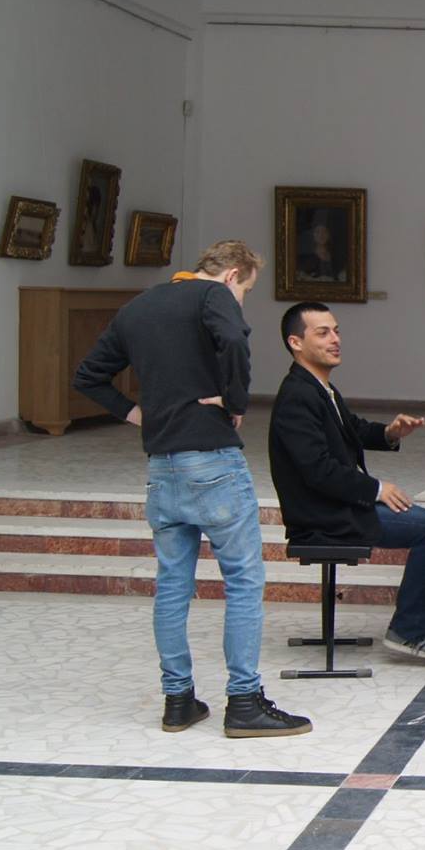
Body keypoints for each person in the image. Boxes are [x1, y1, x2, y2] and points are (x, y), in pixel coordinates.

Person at [73, 240, 311, 738]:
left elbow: (88, 376)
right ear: (233, 275)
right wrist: (237, 401)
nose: (241, 300)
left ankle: (178, 700)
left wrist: (136, 414)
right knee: (243, 581)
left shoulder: (138, 306)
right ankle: (244, 701)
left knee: (172, 585)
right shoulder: (213, 296)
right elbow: (235, 341)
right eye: (246, 290)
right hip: (213, 460)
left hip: (162, 467)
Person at [268, 302, 425, 659]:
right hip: (322, 515)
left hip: (336, 504)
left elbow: (353, 429)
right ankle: (408, 631)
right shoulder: (297, 396)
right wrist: (377, 490)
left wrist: (390, 433)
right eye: (323, 333)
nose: (335, 339)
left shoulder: (318, 388)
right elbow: (317, 471)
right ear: (296, 342)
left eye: (336, 331)